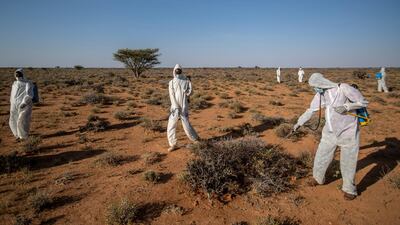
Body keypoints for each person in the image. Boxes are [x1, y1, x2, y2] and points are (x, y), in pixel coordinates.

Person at [293, 73, 368, 200]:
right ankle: (317, 178)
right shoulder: (320, 94)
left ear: (321, 83)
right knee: (321, 156)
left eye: (315, 86)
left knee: (348, 162)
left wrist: (347, 106)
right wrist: (299, 123)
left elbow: (363, 102)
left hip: (348, 132)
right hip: (329, 132)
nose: (315, 89)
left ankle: (349, 189)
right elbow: (311, 110)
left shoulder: (343, 88)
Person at [167, 64, 199, 152]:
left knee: (186, 123)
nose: (177, 71)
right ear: (174, 71)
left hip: (184, 105)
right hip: (175, 107)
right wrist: (175, 106)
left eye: (179, 70)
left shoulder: (186, 80)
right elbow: (172, 95)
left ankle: (195, 139)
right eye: (176, 70)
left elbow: (191, 92)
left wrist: (188, 90)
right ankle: (173, 144)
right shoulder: (171, 82)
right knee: (171, 125)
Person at [9, 68, 34, 141]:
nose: (18, 75)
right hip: (14, 104)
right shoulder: (14, 83)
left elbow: (29, 95)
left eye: (19, 74)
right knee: (13, 119)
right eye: (17, 74)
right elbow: (12, 94)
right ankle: (17, 135)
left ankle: (23, 137)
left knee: (22, 120)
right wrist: (11, 102)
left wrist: (24, 102)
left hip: (24, 105)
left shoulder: (28, 83)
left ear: (23, 74)